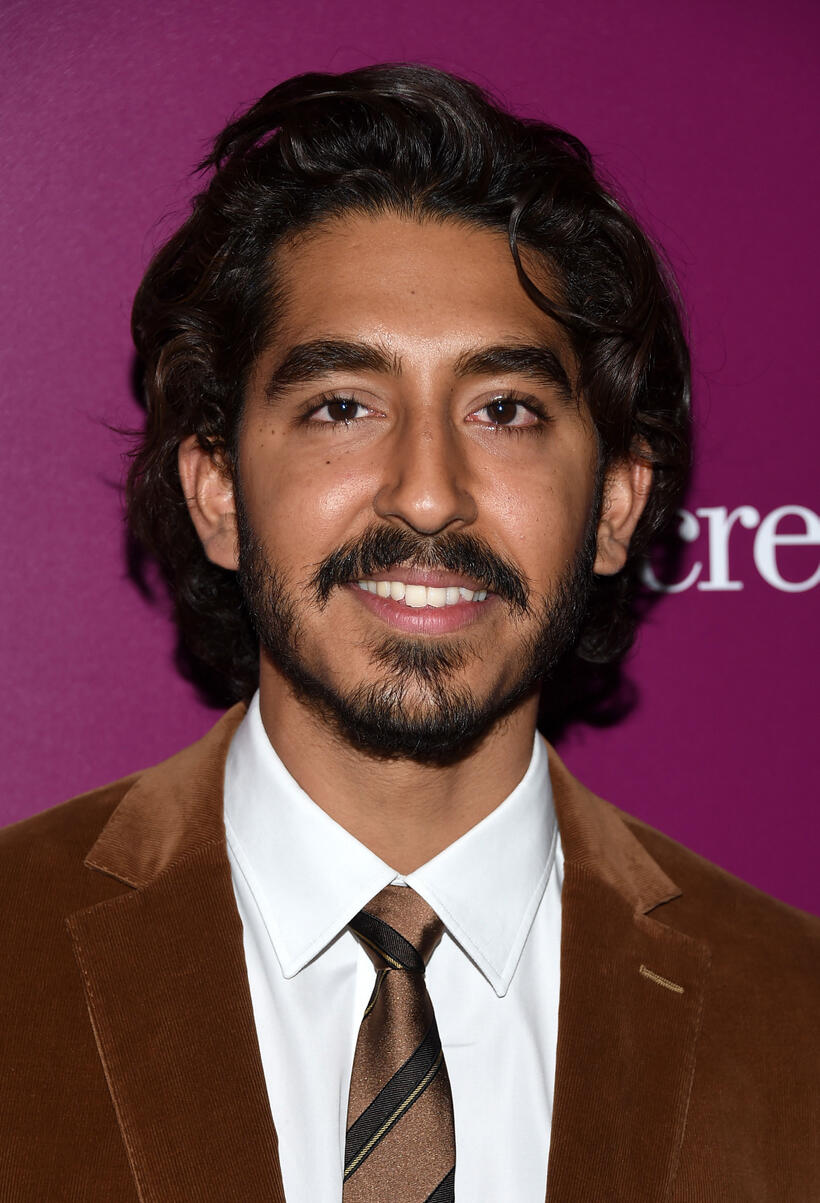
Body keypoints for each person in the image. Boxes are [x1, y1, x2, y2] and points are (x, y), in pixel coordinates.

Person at [0, 64, 817, 1203]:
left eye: (504, 411)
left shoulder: (791, 1016)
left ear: (616, 507)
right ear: (218, 490)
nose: (427, 494)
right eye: (343, 406)